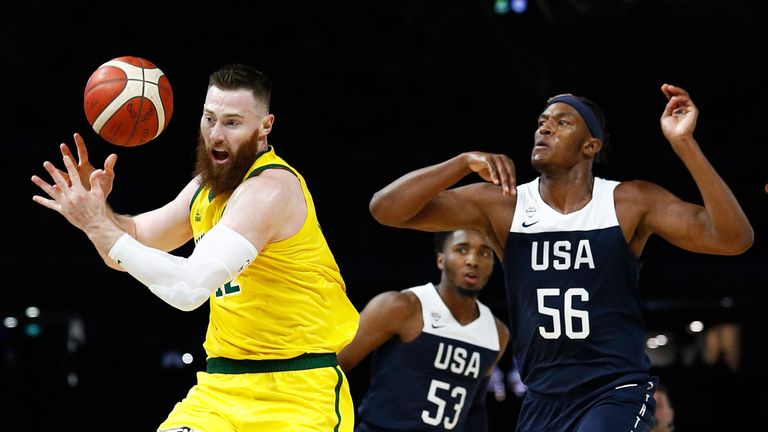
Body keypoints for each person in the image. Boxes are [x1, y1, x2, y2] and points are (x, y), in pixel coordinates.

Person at [367, 84, 753, 431]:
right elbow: (385, 210)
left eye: (562, 121)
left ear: (590, 146)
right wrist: (461, 162)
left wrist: (685, 144)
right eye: (541, 121)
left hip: (615, 389)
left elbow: (735, 239)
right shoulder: (504, 205)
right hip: (542, 398)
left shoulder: (629, 201)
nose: (544, 128)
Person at [31, 64, 360, 431]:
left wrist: (97, 224)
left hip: (296, 394)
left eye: (232, 123)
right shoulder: (206, 186)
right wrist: (96, 209)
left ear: (265, 126)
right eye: (209, 119)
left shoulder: (270, 190)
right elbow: (132, 242)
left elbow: (187, 289)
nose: (216, 135)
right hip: (220, 389)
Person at [338, 229, 510, 431]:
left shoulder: (497, 333)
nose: (472, 260)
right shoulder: (401, 306)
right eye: (461, 250)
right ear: (440, 260)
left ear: (492, 264)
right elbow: (330, 367)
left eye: (484, 253)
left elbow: (474, 409)